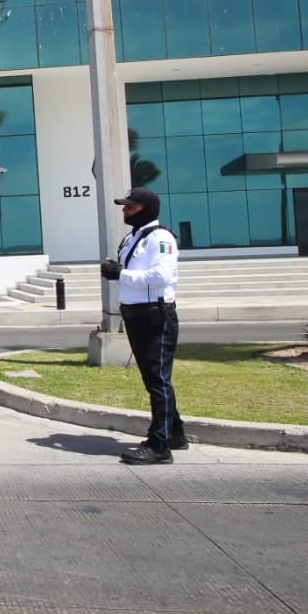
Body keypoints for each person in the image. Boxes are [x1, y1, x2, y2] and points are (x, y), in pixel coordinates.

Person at [100, 186, 186, 465]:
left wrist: (121, 274)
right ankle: (175, 433)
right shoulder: (133, 238)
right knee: (154, 379)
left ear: (146, 209)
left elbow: (161, 276)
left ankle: (159, 446)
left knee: (157, 381)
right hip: (136, 315)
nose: (125, 211)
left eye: (130, 207)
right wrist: (119, 268)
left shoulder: (161, 238)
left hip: (154, 316)